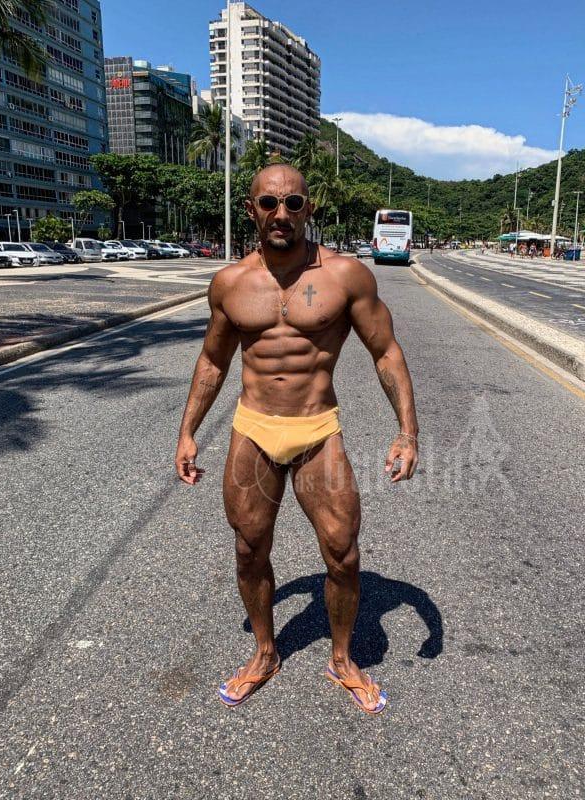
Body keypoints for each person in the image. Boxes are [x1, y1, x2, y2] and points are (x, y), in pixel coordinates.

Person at [175, 165, 419, 714]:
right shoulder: (231, 283)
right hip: (254, 428)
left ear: (309, 208)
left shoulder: (345, 276)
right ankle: (265, 653)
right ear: (251, 210)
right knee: (249, 548)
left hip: (316, 429)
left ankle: (342, 659)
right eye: (269, 203)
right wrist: (187, 431)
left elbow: (385, 352)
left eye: (292, 203)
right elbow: (213, 361)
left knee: (343, 553)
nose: (280, 213)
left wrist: (407, 430)